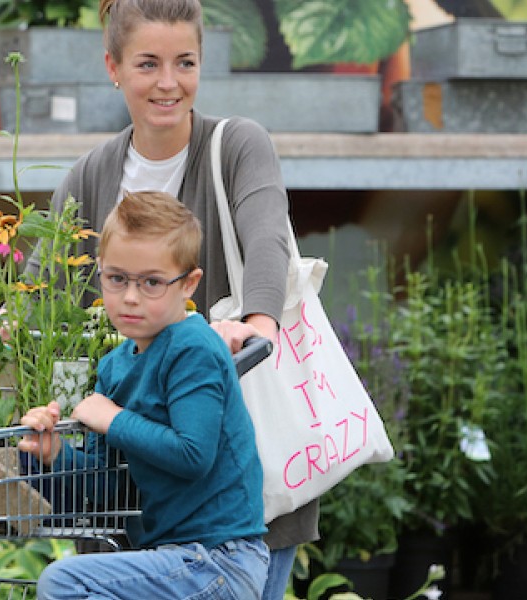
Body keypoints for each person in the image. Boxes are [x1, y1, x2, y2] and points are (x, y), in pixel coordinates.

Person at [24, 0, 319, 597]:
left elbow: (267, 235)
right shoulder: (88, 176)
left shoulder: (234, 144)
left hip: (235, 469)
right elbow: (42, 301)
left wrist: (254, 325)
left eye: (184, 62)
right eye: (148, 64)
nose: (168, 83)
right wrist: (62, 420)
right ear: (113, 66)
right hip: (136, 473)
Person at [19, 190, 268, 599]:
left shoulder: (193, 348)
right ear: (99, 272)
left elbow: (194, 455)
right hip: (176, 560)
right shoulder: (114, 367)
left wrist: (112, 418)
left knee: (64, 583)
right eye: (117, 279)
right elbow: (112, 490)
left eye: (152, 282)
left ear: (188, 283)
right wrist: (56, 454)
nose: (130, 296)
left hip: (221, 559)